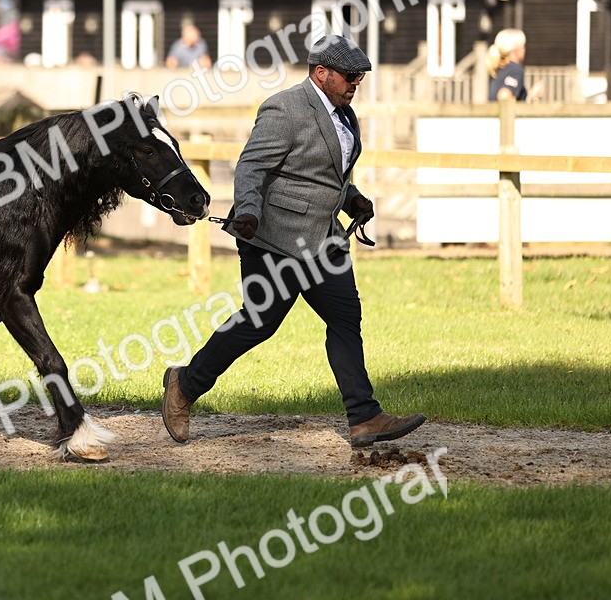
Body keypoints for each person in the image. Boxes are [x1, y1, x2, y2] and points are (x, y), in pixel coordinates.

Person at [161, 35, 426, 448]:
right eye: (351, 76)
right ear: (321, 73)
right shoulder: (285, 108)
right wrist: (247, 209)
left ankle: (364, 417)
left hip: (324, 242)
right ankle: (184, 386)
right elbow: (251, 165)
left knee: (344, 320)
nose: (357, 83)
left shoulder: (344, 113)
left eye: (360, 77)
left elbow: (327, 172)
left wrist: (351, 197)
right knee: (258, 324)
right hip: (274, 240)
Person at [487, 28, 529, 102]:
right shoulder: (516, 70)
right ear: (516, 49)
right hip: (505, 113)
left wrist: (529, 97)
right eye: (523, 46)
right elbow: (504, 95)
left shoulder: (499, 68)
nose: (524, 49)